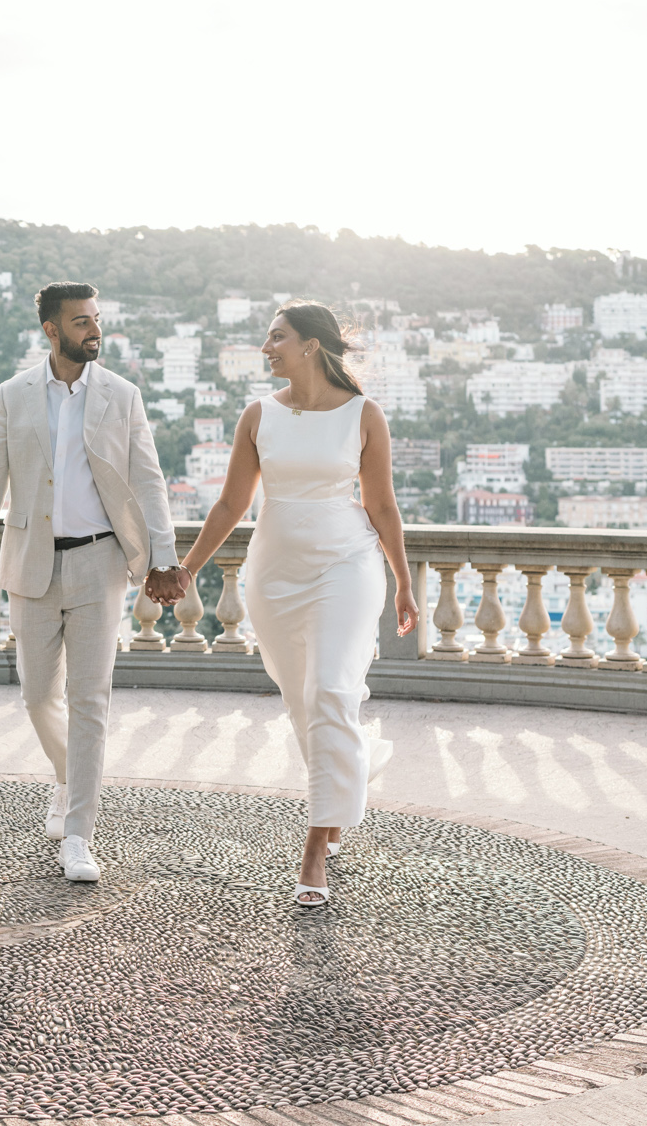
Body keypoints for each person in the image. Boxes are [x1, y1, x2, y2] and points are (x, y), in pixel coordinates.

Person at [177, 300, 419, 907]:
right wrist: (185, 571)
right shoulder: (258, 415)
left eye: (276, 337)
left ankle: (315, 844)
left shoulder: (365, 416)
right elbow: (231, 505)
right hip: (274, 573)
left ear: (310, 344)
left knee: (330, 692)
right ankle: (340, 790)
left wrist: (404, 582)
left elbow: (382, 505)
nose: (266, 348)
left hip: (347, 564)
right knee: (300, 698)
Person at [0, 280, 189, 883]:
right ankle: (67, 776)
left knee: (91, 701)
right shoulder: (14, 394)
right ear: (51, 330)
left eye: (96, 319)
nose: (94, 330)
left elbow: (150, 480)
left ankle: (80, 833)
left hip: (99, 562)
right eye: (81, 321)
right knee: (37, 697)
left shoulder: (122, 395)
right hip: (31, 561)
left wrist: (163, 557)